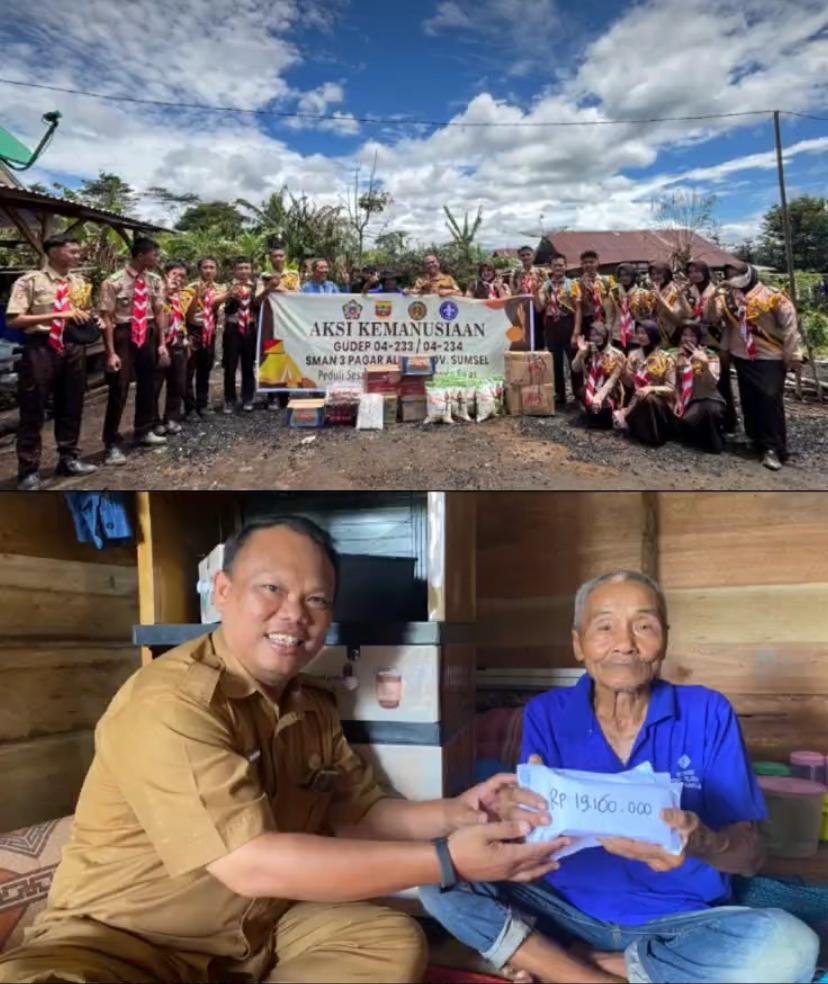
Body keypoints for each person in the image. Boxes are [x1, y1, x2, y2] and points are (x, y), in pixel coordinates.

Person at [0, 517, 563, 984]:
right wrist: (448, 860)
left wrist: (462, 812)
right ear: (223, 592)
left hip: (254, 940)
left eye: (316, 599)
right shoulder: (171, 702)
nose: (295, 615)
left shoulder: (311, 704)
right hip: (118, 945)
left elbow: (361, 813)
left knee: (385, 941)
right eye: (272, 589)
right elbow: (250, 864)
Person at [420, 570, 820, 984]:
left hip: (679, 924)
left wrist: (705, 844)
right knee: (437, 877)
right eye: (605, 626)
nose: (625, 644)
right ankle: (595, 975)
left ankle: (566, 964)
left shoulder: (707, 713)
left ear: (664, 638)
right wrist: (510, 816)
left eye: (643, 626)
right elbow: (527, 832)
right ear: (578, 643)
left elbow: (751, 858)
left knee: (791, 946)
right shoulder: (546, 713)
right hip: (561, 910)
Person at [5, 234, 99, 490]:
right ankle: (29, 470)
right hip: (41, 347)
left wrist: (90, 318)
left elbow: (83, 311)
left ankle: (68, 458)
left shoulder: (79, 282)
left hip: (72, 346)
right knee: (33, 408)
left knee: (72, 404)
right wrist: (60, 313)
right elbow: (14, 320)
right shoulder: (30, 281)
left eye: (78, 252)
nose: (78, 256)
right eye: (73, 251)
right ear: (54, 252)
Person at [705, 262, 804, 471]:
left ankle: (773, 447)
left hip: (770, 356)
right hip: (742, 355)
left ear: (749, 274)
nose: (731, 277)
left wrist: (792, 353)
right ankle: (755, 438)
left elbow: (789, 325)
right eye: (728, 274)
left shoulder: (773, 295)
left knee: (769, 399)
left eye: (735, 273)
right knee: (749, 399)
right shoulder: (728, 298)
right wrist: (714, 297)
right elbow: (712, 318)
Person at [98, 236, 169, 465]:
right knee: (119, 388)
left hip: (147, 332)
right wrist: (110, 352)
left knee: (148, 384)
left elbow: (159, 313)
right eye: (154, 254)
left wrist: (161, 343)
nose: (157, 259)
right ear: (140, 255)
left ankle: (143, 430)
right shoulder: (113, 282)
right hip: (123, 334)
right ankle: (111, 442)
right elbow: (106, 317)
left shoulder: (155, 281)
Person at [677, 259, 738, 435]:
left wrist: (710, 300)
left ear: (705, 272)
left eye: (697, 271)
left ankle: (727, 421)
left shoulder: (718, 291)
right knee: (695, 378)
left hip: (715, 342)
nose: (694, 275)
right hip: (694, 341)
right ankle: (696, 419)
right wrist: (681, 295)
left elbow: (714, 317)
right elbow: (688, 314)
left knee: (720, 381)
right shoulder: (689, 291)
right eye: (690, 272)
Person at [615, 321, 676, 447]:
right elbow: (629, 384)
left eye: (644, 333)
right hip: (636, 400)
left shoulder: (666, 358)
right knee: (643, 398)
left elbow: (671, 388)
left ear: (653, 335)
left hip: (660, 402)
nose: (640, 336)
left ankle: (656, 436)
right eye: (638, 333)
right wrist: (622, 372)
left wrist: (651, 388)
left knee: (649, 398)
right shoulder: (633, 355)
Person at [256, 244, 301, 411]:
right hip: (271, 323)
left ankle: (285, 395)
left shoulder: (293, 275)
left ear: (285, 258)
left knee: (287, 356)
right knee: (271, 357)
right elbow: (257, 299)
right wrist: (269, 288)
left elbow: (297, 295)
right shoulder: (264, 276)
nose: (278, 259)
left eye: (281, 256)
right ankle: (272, 396)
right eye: (275, 256)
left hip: (287, 323)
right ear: (270, 258)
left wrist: (279, 288)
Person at [184, 257, 228, 419]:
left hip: (210, 331)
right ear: (199, 269)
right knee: (189, 370)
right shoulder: (190, 288)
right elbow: (185, 311)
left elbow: (220, 306)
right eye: (205, 267)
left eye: (212, 267)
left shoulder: (221, 288)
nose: (208, 270)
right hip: (193, 330)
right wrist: (198, 296)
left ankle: (202, 405)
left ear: (217, 270)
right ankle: (189, 408)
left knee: (205, 369)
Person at [535, 256, 582, 407]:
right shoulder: (545, 285)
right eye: (555, 265)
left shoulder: (572, 284)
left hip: (568, 323)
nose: (558, 268)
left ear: (565, 266)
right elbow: (539, 307)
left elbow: (578, 309)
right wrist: (535, 292)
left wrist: (576, 331)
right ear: (551, 267)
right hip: (551, 325)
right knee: (555, 361)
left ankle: (578, 394)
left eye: (561, 265)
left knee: (574, 360)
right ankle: (560, 395)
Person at [673, 321, 727, 454]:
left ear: (698, 338)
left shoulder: (710, 355)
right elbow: (675, 382)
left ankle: (715, 443)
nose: (688, 339)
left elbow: (711, 383)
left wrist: (703, 363)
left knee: (709, 410)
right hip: (685, 400)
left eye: (692, 336)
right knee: (684, 422)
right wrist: (678, 400)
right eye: (684, 335)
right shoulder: (674, 355)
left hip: (706, 397)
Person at [153, 260, 189, 437]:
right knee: (155, 383)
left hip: (178, 342)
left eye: (182, 276)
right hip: (159, 343)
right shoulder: (157, 294)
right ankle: (153, 421)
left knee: (177, 382)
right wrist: (164, 292)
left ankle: (171, 417)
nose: (178, 279)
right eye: (175, 274)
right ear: (166, 275)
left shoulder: (183, 297)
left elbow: (184, 320)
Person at [571, 321, 625, 430]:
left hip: (610, 391)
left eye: (599, 334)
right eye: (592, 335)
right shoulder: (588, 350)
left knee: (604, 420)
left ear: (606, 336)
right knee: (582, 391)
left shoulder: (617, 355)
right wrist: (581, 353)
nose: (595, 338)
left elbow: (612, 381)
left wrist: (598, 397)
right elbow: (575, 368)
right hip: (591, 387)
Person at [222, 258, 257, 414]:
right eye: (240, 268)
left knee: (248, 365)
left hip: (250, 327)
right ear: (234, 271)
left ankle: (248, 398)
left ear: (251, 270)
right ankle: (230, 399)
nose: (243, 271)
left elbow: (258, 305)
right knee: (230, 365)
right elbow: (225, 309)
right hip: (233, 327)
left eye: (246, 268)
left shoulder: (256, 286)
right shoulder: (227, 286)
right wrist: (231, 296)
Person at [577, 250, 614, 349]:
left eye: (591, 262)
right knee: (588, 349)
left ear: (598, 263)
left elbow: (612, 303)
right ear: (581, 265)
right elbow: (579, 306)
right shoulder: (577, 283)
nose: (588, 265)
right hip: (587, 320)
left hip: (604, 319)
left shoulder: (608, 281)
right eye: (585, 263)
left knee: (605, 348)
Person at [642, 262, 683, 346]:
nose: (655, 277)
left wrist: (660, 298)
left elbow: (676, 315)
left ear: (666, 274)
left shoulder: (674, 290)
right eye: (653, 274)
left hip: (671, 331)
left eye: (659, 273)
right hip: (656, 331)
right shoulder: (654, 290)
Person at [605, 263, 641, 352]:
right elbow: (610, 314)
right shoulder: (614, 292)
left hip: (635, 335)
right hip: (618, 334)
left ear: (632, 275)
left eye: (627, 275)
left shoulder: (640, 293)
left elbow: (642, 316)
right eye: (621, 276)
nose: (624, 278)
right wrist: (608, 333)